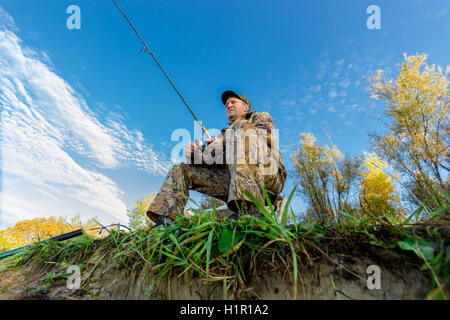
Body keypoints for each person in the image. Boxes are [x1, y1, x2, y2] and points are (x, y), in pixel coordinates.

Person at [146, 90, 287, 227]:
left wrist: (225, 140)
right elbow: (214, 164)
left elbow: (262, 138)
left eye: (233, 102)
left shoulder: (259, 117)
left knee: (241, 127)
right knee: (181, 169)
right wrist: (197, 158)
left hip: (268, 174)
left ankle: (249, 210)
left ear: (245, 107)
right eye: (226, 105)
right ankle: (166, 221)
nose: (228, 105)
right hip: (234, 181)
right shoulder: (222, 135)